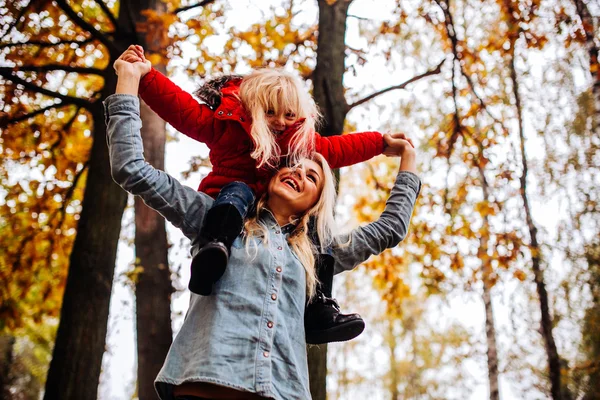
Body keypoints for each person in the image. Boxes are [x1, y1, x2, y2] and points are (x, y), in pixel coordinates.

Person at [108, 50, 421, 400]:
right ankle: (213, 258)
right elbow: (132, 168)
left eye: (312, 175)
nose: (299, 171)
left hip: (282, 392)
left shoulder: (313, 253)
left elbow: (389, 227)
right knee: (232, 199)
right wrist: (131, 80)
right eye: (293, 167)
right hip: (206, 385)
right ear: (274, 174)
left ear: (317, 201)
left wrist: (404, 157)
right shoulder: (213, 218)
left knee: (321, 261)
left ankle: (320, 308)